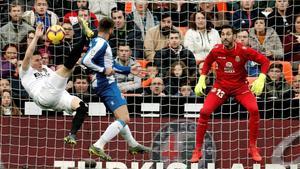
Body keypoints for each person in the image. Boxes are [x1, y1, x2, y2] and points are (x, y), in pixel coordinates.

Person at [190, 25, 270, 163]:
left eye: (228, 34)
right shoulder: (216, 50)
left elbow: (265, 61)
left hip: (240, 87)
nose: (225, 37)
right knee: (204, 111)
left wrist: (261, 78)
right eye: (222, 34)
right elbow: (207, 62)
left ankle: (252, 147)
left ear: (234, 36)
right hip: (221, 86)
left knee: (254, 109)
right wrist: (202, 78)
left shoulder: (243, 50)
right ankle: (197, 150)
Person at [81, 17, 151, 161]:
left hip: (105, 83)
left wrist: (128, 69)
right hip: (106, 84)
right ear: (111, 30)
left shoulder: (99, 41)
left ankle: (132, 144)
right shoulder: (102, 43)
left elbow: (111, 65)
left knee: (120, 118)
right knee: (125, 118)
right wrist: (102, 70)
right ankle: (98, 145)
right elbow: (85, 61)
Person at [19, 21, 89, 146]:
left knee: (82, 107)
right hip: (43, 95)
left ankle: (72, 135)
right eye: (37, 60)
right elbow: (29, 54)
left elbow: (59, 78)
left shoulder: (46, 68)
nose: (41, 62)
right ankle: (84, 36)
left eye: (41, 59)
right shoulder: (25, 71)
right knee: (68, 66)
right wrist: (36, 36)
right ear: (30, 62)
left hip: (58, 97)